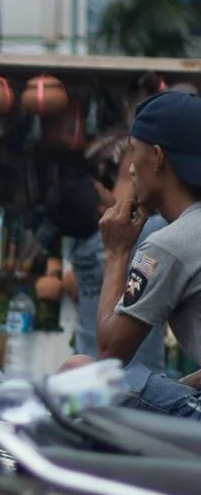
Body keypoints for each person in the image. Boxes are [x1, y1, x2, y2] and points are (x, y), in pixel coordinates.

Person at [93, 89, 201, 418]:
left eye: (132, 152)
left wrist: (116, 252)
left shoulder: (168, 244)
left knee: (77, 371)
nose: (130, 170)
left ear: (157, 157)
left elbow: (109, 353)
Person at [50, 136, 166, 370]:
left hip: (85, 363)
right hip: (134, 373)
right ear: (101, 210)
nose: (109, 188)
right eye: (103, 189)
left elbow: (124, 185)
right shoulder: (137, 237)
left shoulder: (76, 247)